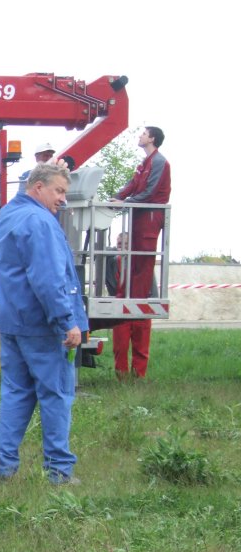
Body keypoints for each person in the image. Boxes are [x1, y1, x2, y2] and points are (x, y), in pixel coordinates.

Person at [0, 163, 88, 485]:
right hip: (42, 326)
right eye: (59, 191)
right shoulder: (40, 221)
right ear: (38, 187)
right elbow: (47, 280)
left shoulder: (9, 214)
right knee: (56, 394)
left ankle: (3, 466)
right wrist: (66, 322)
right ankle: (59, 471)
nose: (63, 199)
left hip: (14, 323)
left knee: (16, 393)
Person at [111, 126, 171, 380]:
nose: (139, 136)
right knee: (133, 266)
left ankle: (136, 299)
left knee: (143, 265)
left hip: (149, 217)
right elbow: (132, 186)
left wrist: (125, 203)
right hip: (138, 217)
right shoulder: (143, 163)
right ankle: (131, 297)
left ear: (153, 138)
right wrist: (114, 198)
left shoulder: (159, 162)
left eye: (143, 133)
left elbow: (147, 193)